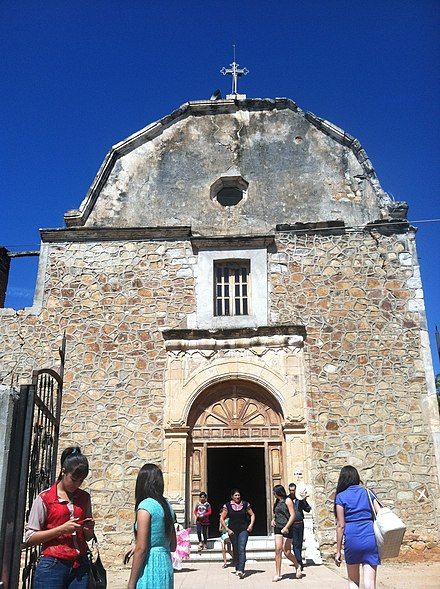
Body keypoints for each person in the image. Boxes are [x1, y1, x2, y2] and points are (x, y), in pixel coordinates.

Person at [24, 446, 94, 589]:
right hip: (53, 565)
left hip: (80, 565)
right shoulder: (45, 498)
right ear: (63, 471)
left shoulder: (84, 498)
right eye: (74, 479)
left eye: (81, 481)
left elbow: (88, 537)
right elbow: (30, 538)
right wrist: (61, 530)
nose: (77, 484)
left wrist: (88, 529)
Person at [127, 463, 177, 589]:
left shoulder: (146, 507)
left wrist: (131, 583)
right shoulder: (167, 506)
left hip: (150, 566)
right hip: (165, 565)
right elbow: (173, 546)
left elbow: (142, 549)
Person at [334, 465, 381, 589]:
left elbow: (340, 525)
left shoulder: (340, 497)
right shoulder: (368, 492)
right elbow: (380, 513)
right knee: (370, 583)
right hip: (370, 538)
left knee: (353, 581)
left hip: (352, 539)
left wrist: (338, 550)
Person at [220, 488, 255, 579]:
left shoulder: (245, 504)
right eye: (235, 495)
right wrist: (227, 529)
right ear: (232, 496)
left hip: (243, 530)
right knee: (235, 549)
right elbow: (222, 518)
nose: (237, 497)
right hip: (232, 531)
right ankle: (237, 567)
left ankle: (241, 570)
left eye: (238, 495)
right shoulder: (227, 506)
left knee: (241, 548)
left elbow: (252, 514)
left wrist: (251, 525)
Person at [271, 485, 301, 581]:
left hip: (287, 527)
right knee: (278, 549)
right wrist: (273, 519)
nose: (273, 493)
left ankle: (297, 565)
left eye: (274, 492)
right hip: (278, 527)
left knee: (286, 551)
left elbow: (293, 515)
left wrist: (286, 527)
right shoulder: (277, 502)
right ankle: (278, 573)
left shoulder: (287, 500)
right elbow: (276, 514)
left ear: (278, 492)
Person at [285, 482, 312, 572]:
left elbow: (307, 509)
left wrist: (304, 500)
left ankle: (298, 560)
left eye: (293, 490)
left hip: (300, 523)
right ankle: (299, 562)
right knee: (295, 544)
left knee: (299, 543)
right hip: (292, 525)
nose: (292, 492)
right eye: (291, 490)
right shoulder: (287, 499)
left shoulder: (299, 499)